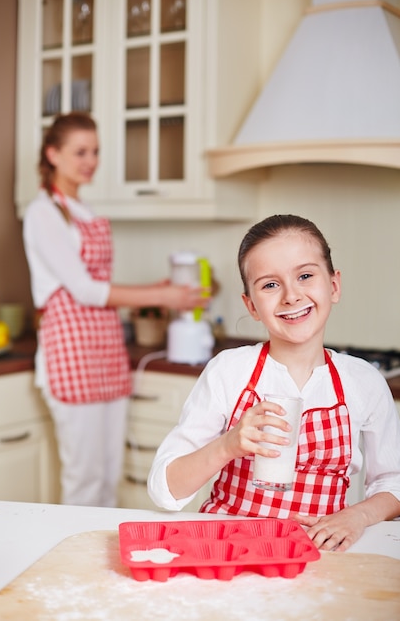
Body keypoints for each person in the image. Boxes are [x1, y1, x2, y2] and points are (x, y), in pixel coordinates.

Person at [148, 214, 400, 551]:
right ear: (251, 305)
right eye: (270, 284)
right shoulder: (230, 371)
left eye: (306, 276)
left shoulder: (363, 382)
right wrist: (228, 445)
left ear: (334, 285)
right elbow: (165, 489)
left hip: (319, 557)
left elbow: (393, 482)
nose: (291, 296)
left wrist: (359, 516)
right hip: (228, 554)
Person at [23, 111, 208, 508]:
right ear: (53, 154)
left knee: (107, 478)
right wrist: (163, 297)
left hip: (105, 349)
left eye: (95, 151)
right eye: (80, 152)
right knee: (83, 480)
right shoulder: (43, 213)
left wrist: (156, 289)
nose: (90, 160)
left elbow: (98, 285)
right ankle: (71, 565)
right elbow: (85, 290)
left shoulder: (83, 211)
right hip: (70, 353)